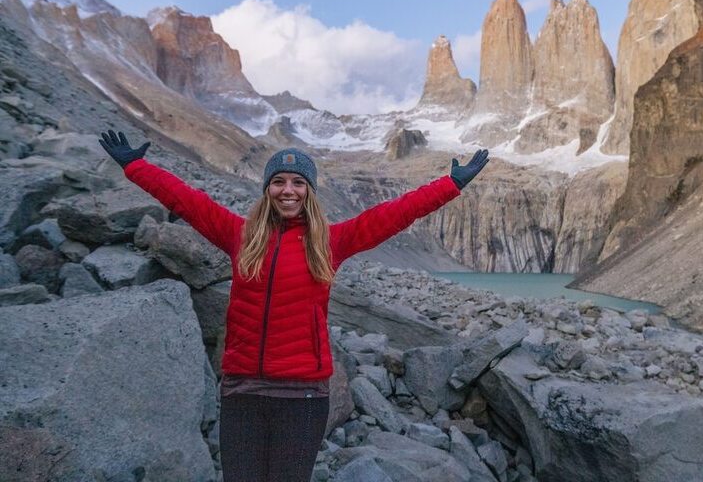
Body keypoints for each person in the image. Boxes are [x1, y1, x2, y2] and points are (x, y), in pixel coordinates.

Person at [98, 130, 489, 482]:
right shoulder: (239, 236)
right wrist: (135, 166)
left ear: (310, 191)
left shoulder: (331, 243)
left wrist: (451, 184)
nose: (289, 190)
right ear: (267, 190)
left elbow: (394, 214)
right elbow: (186, 200)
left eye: (298, 182)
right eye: (279, 182)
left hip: (303, 395)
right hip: (242, 389)